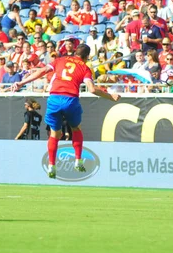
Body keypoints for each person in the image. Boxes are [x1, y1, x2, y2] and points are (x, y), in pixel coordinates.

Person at [12, 44, 120, 178]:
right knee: (76, 129)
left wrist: (22, 83)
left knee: (55, 134)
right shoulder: (85, 67)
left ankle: (51, 165)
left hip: (54, 99)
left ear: (75, 52)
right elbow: (92, 89)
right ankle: (78, 160)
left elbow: (42, 71)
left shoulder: (60, 60)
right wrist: (110, 96)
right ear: (86, 57)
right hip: (70, 100)